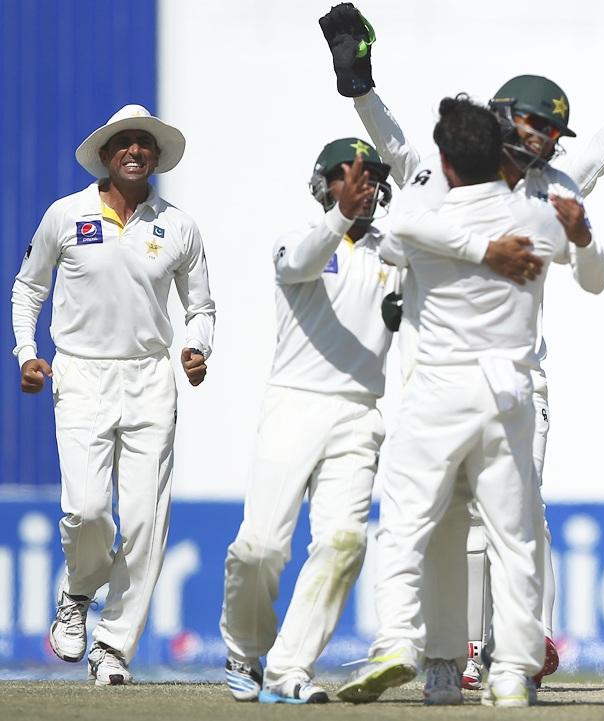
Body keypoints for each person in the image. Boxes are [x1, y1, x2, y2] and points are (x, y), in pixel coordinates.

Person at [320, 1, 604, 695]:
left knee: (514, 520)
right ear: (504, 117)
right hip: (431, 369)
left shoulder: (550, 193)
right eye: (534, 122)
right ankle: (448, 656)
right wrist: (358, 86)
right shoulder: (441, 175)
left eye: (551, 130)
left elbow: (595, 155)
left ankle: (508, 654)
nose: (543, 138)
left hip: (513, 377)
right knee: (447, 522)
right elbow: (395, 149)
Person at [337, 93, 577, 708]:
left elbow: (395, 234)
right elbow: (585, 260)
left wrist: (467, 247)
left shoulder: (422, 217)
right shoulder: (537, 215)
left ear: (443, 161)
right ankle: (506, 670)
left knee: (410, 527)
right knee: (512, 536)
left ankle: (401, 641)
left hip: (439, 388)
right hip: (508, 389)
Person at [11, 105, 216, 685]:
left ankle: (113, 648)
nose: (133, 151)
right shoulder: (65, 215)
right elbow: (28, 290)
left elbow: (201, 305)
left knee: (147, 521)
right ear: (105, 155)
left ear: (154, 157)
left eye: (143, 144)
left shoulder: (178, 225)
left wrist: (197, 347)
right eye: (122, 143)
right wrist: (27, 355)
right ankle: (77, 592)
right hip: (80, 374)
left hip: (150, 378)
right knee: (88, 511)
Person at [220, 141, 396, 704]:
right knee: (260, 548)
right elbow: (301, 263)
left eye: (371, 179)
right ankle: (244, 652)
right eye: (354, 177)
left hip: (360, 412)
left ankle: (290, 668)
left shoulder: (392, 252)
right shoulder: (296, 237)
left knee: (344, 542)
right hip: (294, 404)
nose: (364, 187)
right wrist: (341, 215)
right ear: (326, 185)